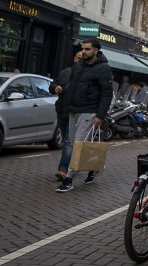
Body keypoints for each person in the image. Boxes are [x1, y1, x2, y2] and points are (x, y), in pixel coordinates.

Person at [56, 39, 114, 193]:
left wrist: (100, 115)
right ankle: (93, 167)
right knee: (74, 144)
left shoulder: (104, 68)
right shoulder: (78, 65)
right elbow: (72, 88)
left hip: (89, 111)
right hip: (73, 111)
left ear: (95, 50)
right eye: (83, 49)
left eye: (87, 49)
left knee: (79, 145)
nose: (84, 52)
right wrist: (66, 108)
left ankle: (68, 179)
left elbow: (107, 94)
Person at [51, 51, 83, 181]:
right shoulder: (65, 72)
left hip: (75, 113)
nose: (80, 60)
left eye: (82, 58)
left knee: (68, 142)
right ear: (74, 58)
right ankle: (74, 163)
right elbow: (52, 85)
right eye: (78, 57)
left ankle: (63, 169)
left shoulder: (87, 75)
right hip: (61, 111)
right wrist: (55, 87)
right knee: (66, 140)